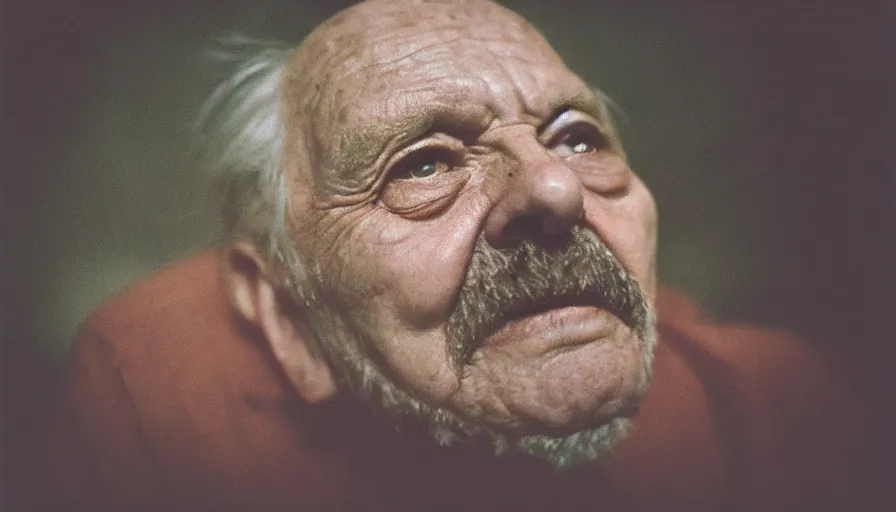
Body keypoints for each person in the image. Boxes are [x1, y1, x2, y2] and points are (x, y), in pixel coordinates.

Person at [46, 0, 863, 510]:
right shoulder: (162, 399)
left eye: (577, 138)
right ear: (288, 315)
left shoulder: (783, 413)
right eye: (424, 164)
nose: (555, 190)